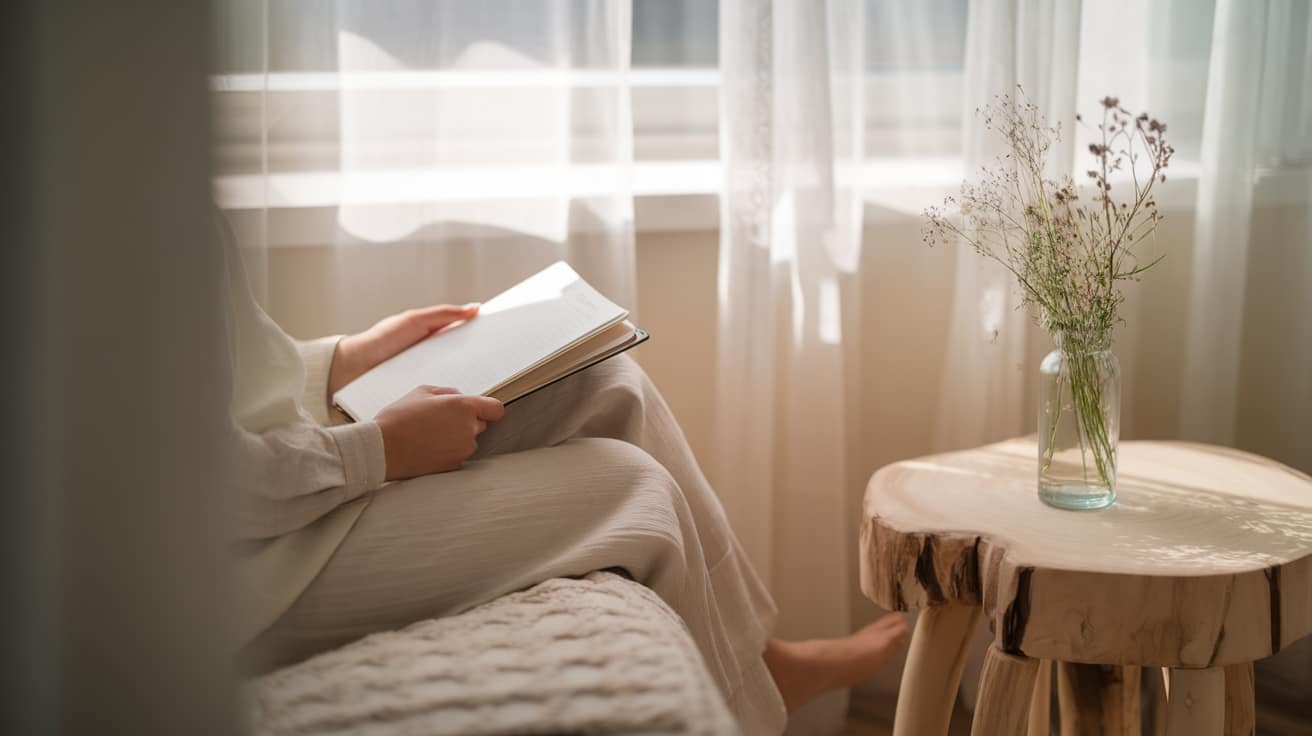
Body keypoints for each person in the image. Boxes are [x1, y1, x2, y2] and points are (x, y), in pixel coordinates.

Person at [223, 221, 907, 733]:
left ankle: (758, 662)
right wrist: (377, 451)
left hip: (281, 474)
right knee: (629, 485)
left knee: (604, 377)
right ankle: (755, 697)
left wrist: (339, 360)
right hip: (249, 571)